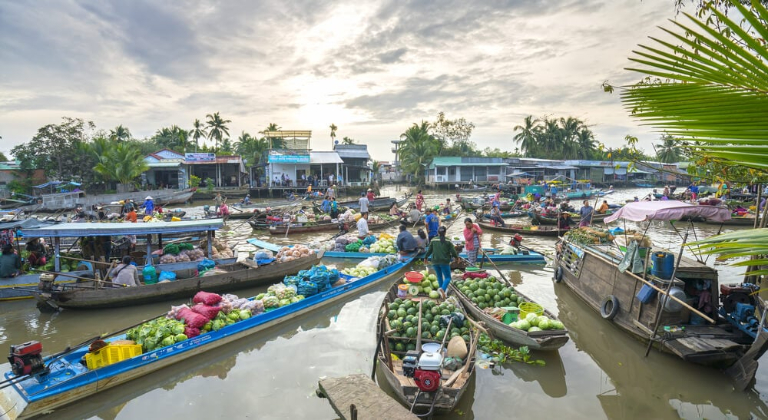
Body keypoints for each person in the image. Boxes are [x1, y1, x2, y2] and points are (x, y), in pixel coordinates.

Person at [424, 226, 458, 299]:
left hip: (435, 261)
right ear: (445, 233)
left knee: (439, 276)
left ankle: (441, 292)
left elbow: (429, 250)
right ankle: (442, 289)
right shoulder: (448, 241)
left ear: (438, 233)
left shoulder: (433, 240)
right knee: (448, 277)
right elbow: (453, 251)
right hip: (444, 261)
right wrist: (457, 258)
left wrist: (426, 257)